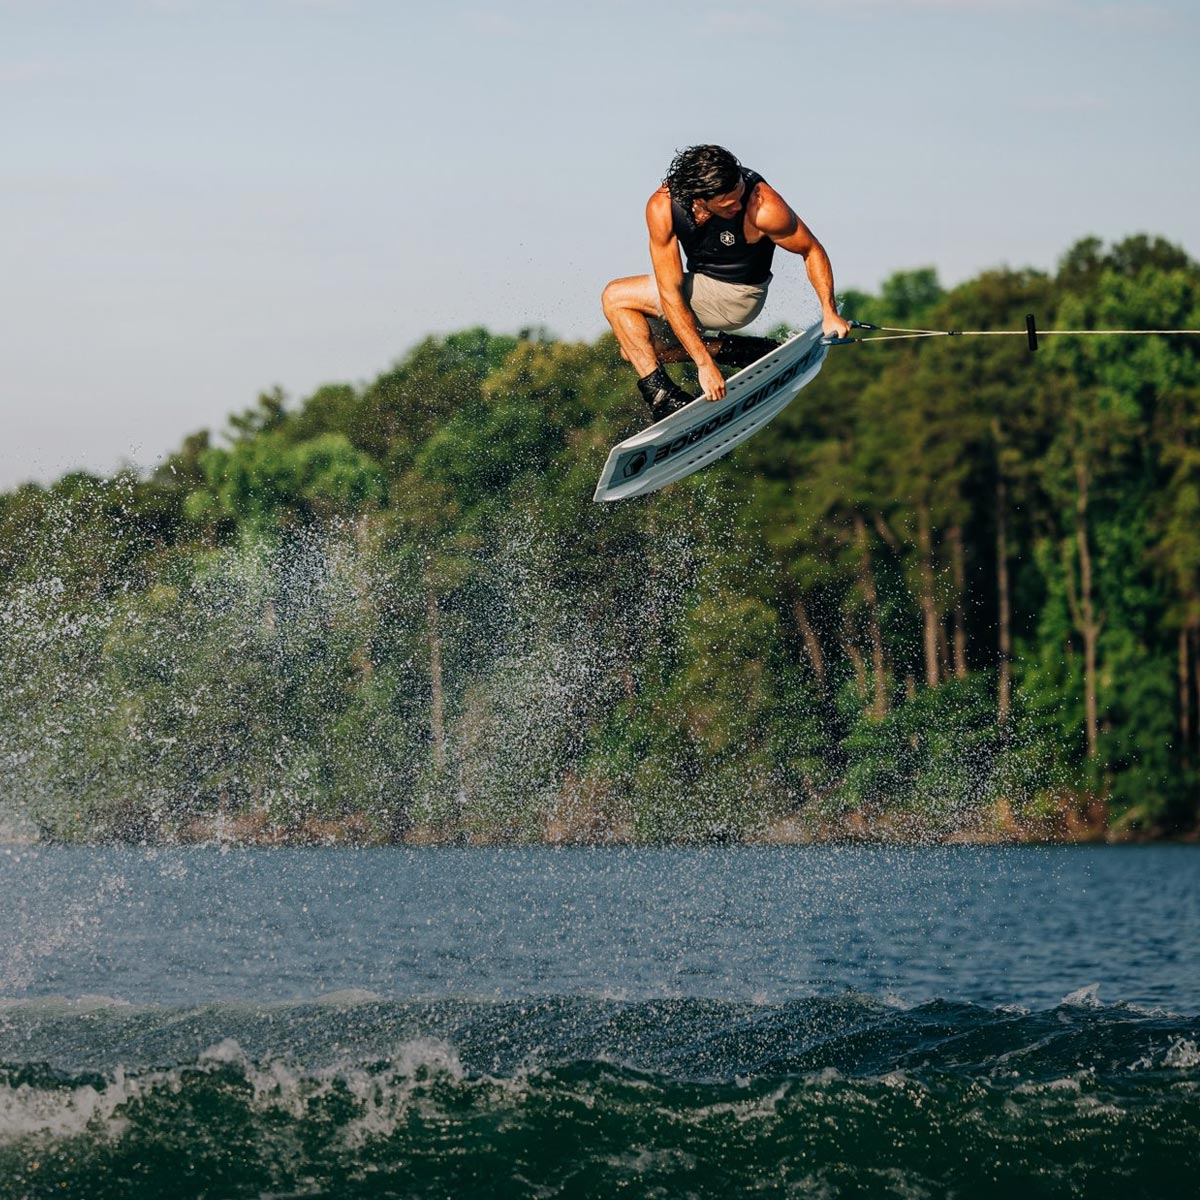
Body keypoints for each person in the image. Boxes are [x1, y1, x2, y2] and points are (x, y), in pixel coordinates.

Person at [601, 144, 851, 422]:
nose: (738, 204)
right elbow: (669, 290)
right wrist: (703, 360)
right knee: (638, 349)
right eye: (728, 202)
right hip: (698, 289)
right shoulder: (663, 206)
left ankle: (662, 397)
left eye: (739, 193)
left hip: (738, 296)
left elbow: (811, 249)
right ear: (700, 197)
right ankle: (743, 351)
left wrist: (829, 312)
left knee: (615, 297)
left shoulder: (763, 206)